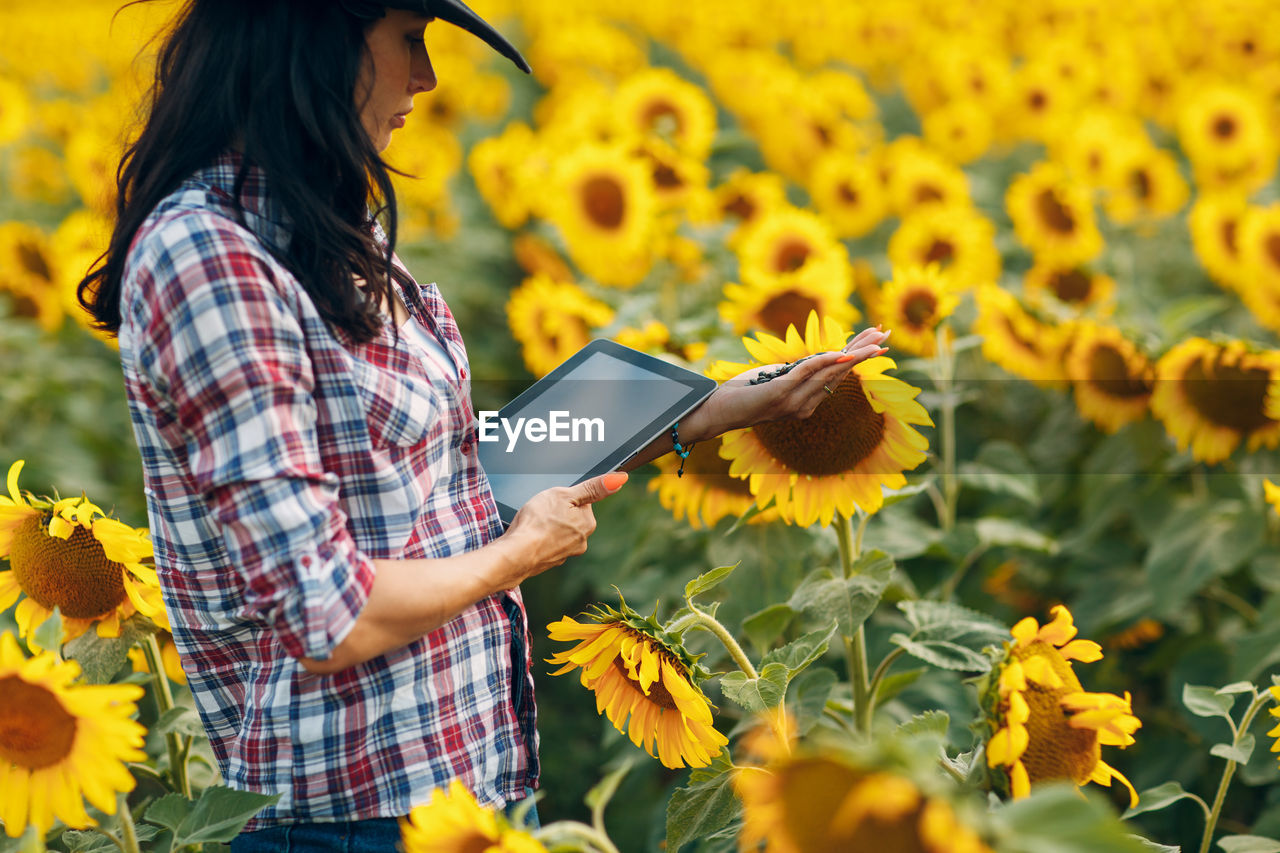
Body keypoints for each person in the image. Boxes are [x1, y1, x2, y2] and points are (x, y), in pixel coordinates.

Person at [78, 0, 891, 848]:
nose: (426, 78)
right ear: (314, 42)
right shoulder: (211, 258)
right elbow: (324, 612)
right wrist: (518, 555)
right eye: (408, 40)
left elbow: (455, 470)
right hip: (353, 819)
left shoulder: (317, 227)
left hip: (468, 794)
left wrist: (727, 401)